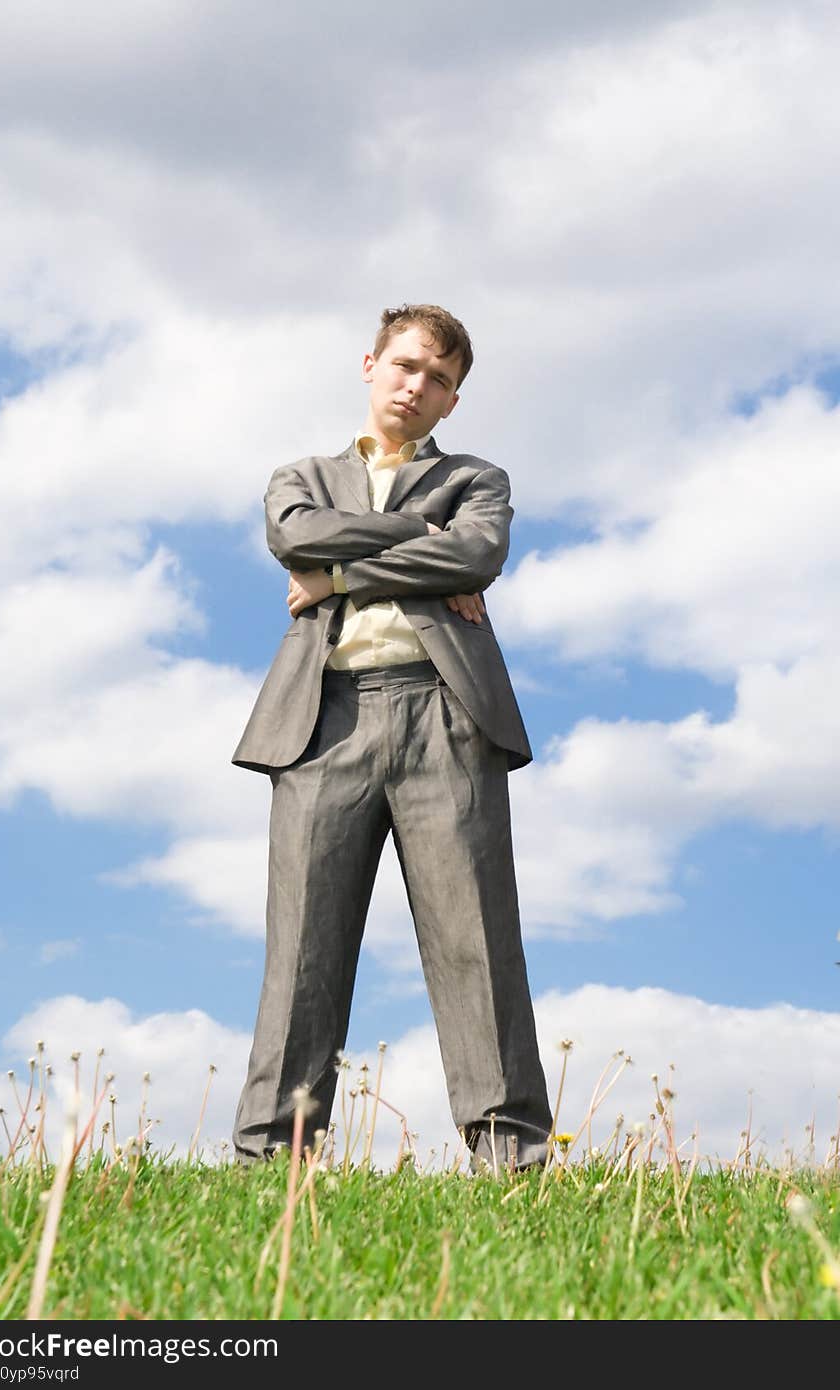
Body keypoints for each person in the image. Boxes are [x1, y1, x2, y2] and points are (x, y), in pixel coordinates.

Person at [231, 303, 552, 1171]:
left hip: (446, 715)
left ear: (453, 402)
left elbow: (477, 555)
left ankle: (511, 1162)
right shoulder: (299, 475)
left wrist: (337, 574)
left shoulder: (478, 479)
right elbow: (292, 534)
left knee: (476, 941)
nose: (418, 385)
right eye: (406, 365)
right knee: (301, 948)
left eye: (440, 379)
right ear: (369, 364)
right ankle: (272, 1159)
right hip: (322, 721)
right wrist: (424, 541)